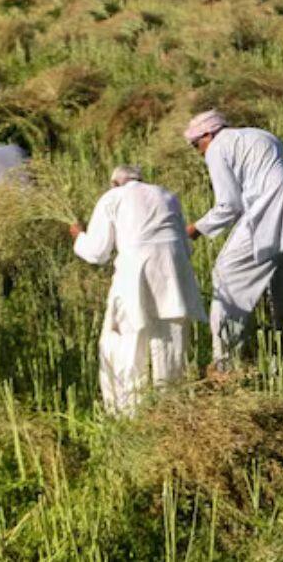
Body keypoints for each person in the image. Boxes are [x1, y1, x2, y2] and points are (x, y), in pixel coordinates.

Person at [184, 111, 283, 373]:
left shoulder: (217, 147)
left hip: (271, 213)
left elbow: (230, 205)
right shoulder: (259, 134)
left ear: (208, 135)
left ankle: (224, 365)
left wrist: (194, 229)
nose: (199, 153)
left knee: (227, 275)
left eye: (196, 146)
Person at [70, 166, 207, 415]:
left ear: (115, 183)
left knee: (126, 344)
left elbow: (97, 253)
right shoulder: (167, 196)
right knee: (171, 342)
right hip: (174, 276)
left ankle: (128, 413)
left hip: (135, 278)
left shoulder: (112, 198)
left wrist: (78, 236)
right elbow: (186, 248)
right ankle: (171, 410)